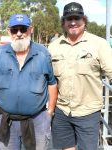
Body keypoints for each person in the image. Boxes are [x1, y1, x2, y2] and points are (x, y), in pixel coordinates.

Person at [0, 14, 58, 150]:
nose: (19, 33)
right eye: (14, 30)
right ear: (9, 32)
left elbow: (52, 83)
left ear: (31, 30)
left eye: (23, 29)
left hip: (37, 121)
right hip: (6, 122)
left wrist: (50, 112)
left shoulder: (43, 54)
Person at [48, 2, 112, 150]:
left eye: (77, 18)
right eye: (68, 19)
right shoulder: (53, 47)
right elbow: (48, 79)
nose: (73, 22)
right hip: (61, 112)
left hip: (88, 112)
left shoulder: (99, 44)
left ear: (84, 20)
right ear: (63, 22)